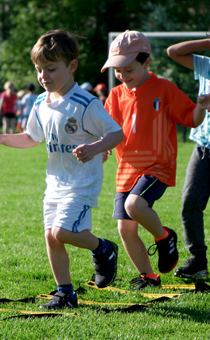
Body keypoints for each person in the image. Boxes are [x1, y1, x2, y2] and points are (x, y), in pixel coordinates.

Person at [0, 29, 124, 309]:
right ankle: (65, 293)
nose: (43, 76)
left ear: (72, 66)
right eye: (39, 70)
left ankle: (104, 249)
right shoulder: (39, 103)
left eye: (51, 69)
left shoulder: (86, 103)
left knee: (61, 231)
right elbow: (31, 138)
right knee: (51, 235)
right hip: (55, 181)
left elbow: (116, 133)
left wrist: (96, 147)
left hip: (83, 180)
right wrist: (1, 138)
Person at [101, 30, 210, 289]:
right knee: (125, 230)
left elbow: (191, 120)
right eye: (118, 71)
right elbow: (108, 129)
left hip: (156, 167)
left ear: (146, 62)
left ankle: (164, 237)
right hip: (126, 169)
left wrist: (201, 107)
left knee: (134, 206)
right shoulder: (115, 95)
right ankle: (149, 277)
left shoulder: (165, 88)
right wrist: (101, 148)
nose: (122, 76)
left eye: (128, 69)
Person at [167, 37, 210, 278]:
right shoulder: (205, 65)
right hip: (204, 147)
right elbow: (173, 51)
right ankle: (198, 261)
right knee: (190, 203)